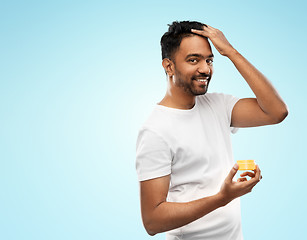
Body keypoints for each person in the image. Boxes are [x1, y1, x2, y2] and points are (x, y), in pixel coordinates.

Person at [135, 21, 288, 240]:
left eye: (210, 60)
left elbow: (277, 112)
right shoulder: (155, 131)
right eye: (193, 60)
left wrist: (231, 52)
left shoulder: (218, 105)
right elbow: (153, 221)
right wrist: (222, 198)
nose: (206, 69)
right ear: (169, 66)